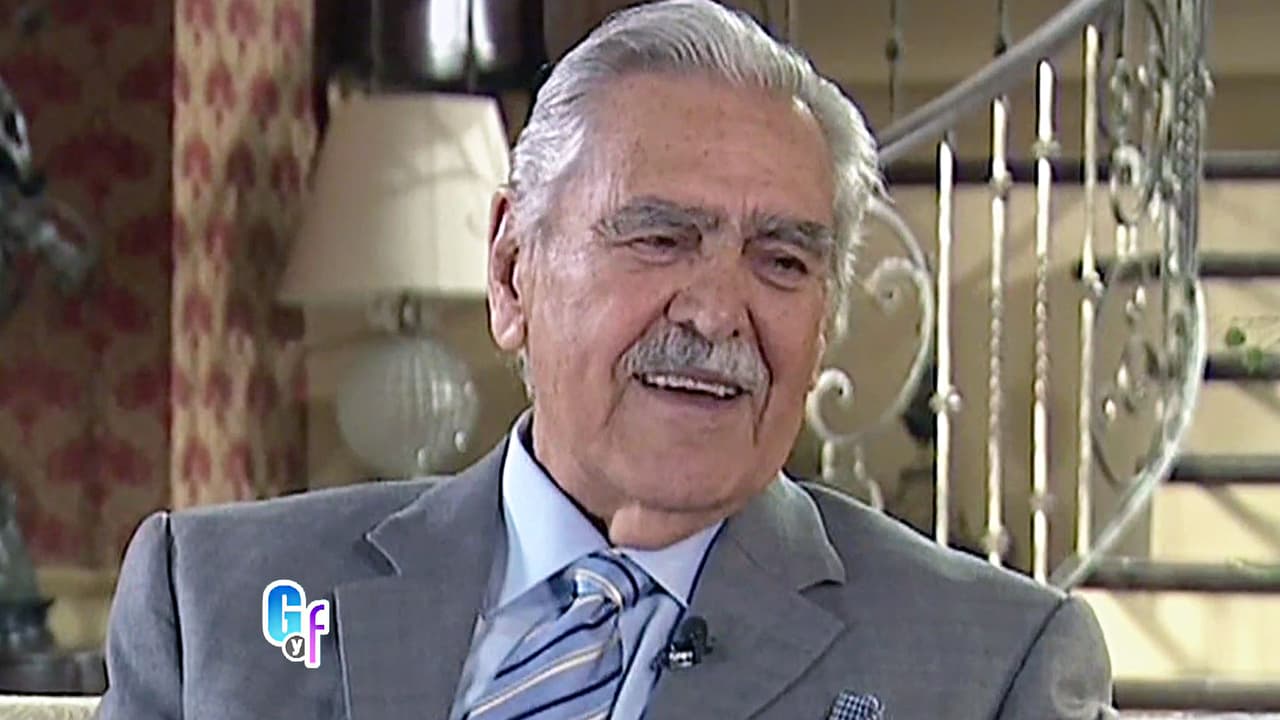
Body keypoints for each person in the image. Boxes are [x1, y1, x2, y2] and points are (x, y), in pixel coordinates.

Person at [96, 1, 1116, 718]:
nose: (715, 312)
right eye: (659, 238)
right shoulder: (220, 604)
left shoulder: (990, 669)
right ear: (512, 273)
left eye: (781, 260)